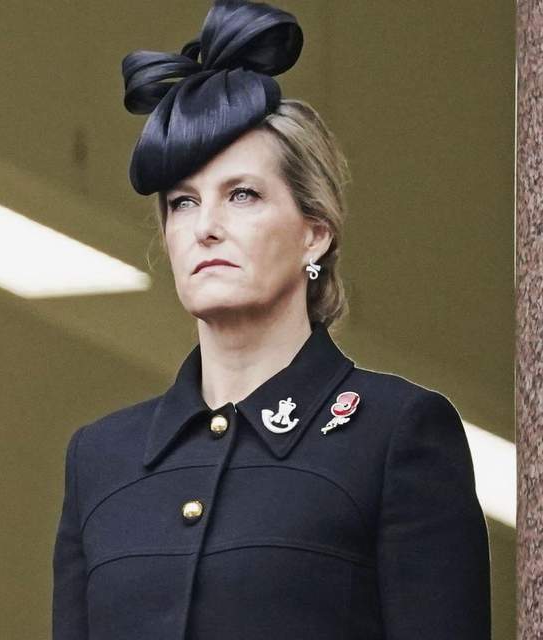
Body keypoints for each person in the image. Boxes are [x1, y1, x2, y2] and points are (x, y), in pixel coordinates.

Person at [52, 1, 492, 638]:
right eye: (182, 202)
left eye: (243, 194)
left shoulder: (395, 435)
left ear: (315, 232)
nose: (206, 227)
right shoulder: (99, 458)